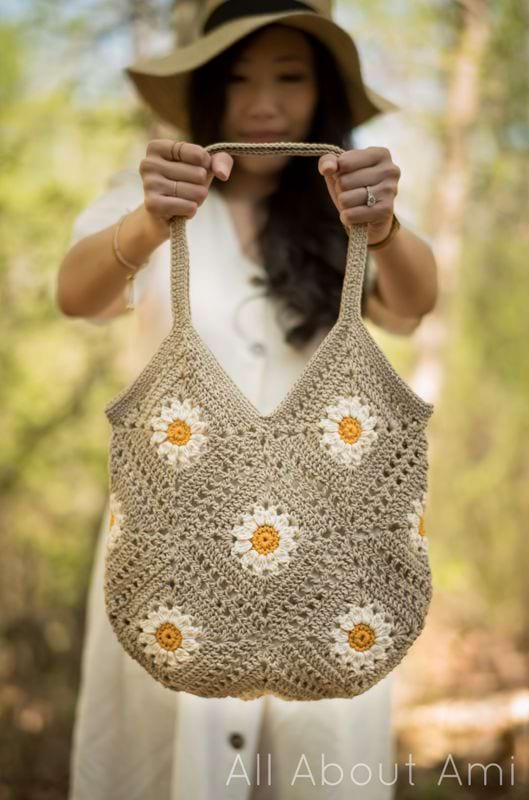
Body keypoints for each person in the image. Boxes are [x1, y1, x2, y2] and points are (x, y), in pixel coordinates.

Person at [56, 2, 438, 799]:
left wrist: (385, 226)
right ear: (203, 94)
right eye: (236, 79)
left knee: (311, 770)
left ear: (322, 95)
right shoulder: (153, 204)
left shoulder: (352, 216)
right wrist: (151, 221)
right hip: (171, 555)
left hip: (333, 570)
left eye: (289, 77)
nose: (262, 102)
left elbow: (413, 306)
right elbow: (77, 296)